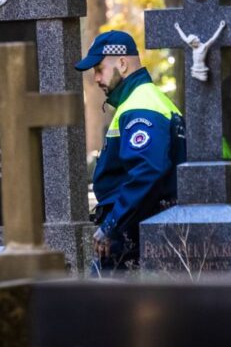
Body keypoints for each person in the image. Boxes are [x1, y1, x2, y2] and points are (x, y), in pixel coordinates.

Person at [75, 30, 186, 273]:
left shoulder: (141, 107)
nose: (95, 78)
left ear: (122, 63)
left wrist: (112, 224)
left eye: (99, 69)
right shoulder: (147, 100)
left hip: (133, 238)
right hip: (140, 232)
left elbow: (148, 170)